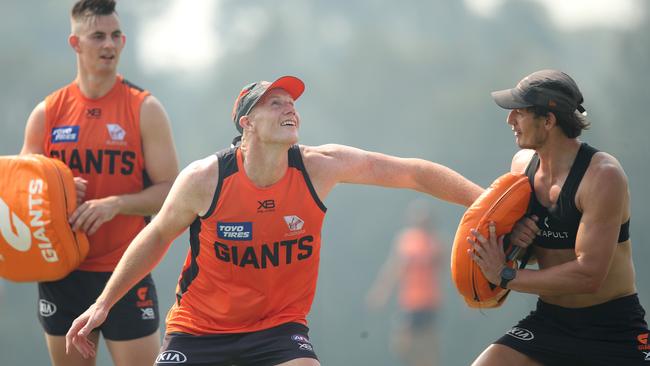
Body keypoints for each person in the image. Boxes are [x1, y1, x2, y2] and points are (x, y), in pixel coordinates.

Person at [66, 75, 483, 366]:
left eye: (293, 103)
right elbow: (155, 237)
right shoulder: (205, 179)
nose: (291, 110)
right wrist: (103, 303)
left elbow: (414, 173)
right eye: (276, 103)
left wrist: (484, 202)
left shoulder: (319, 168)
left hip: (278, 328)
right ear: (246, 123)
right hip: (199, 327)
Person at [20, 0, 179, 365]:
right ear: (76, 43)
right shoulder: (47, 113)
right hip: (62, 271)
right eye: (98, 36)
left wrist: (116, 204)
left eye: (115, 36)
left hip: (125, 270)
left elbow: (171, 192)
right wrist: (54, 190)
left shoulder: (145, 109)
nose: (109, 44)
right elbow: (19, 194)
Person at [468, 69, 650, 365]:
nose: (509, 120)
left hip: (614, 330)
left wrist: (505, 275)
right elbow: (540, 253)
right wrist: (515, 244)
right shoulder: (522, 166)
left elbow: (588, 275)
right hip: (551, 322)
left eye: (520, 112)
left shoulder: (603, 176)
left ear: (549, 121)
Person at [366, 201, 444, 366]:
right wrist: (381, 292)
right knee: (402, 344)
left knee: (427, 344)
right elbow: (394, 268)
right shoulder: (406, 240)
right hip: (409, 301)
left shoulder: (435, 243)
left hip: (429, 302)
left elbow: (446, 270)